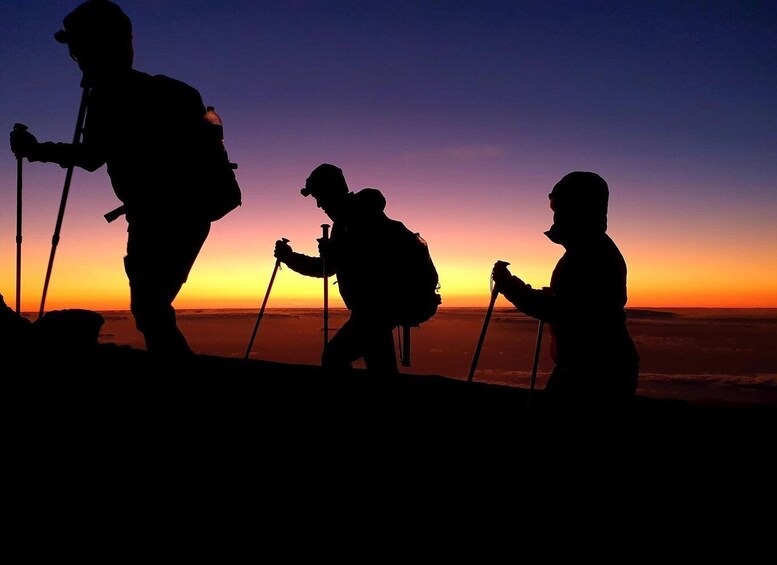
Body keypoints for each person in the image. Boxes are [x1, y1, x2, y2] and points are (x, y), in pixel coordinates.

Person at [9, 0, 232, 356]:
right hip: (191, 213)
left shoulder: (114, 97)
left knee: (150, 310)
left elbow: (92, 157)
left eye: (79, 51)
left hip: (159, 218)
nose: (77, 60)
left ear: (99, 47)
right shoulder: (173, 91)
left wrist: (36, 150)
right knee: (152, 309)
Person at [492, 171, 639, 409]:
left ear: (580, 209)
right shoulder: (588, 251)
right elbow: (570, 301)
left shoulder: (590, 255)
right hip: (597, 366)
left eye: (561, 208)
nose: (556, 216)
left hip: (593, 372)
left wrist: (510, 286)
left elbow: (564, 310)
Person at [274, 164, 412, 374]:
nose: (319, 204)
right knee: (380, 368)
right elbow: (333, 266)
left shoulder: (356, 220)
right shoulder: (352, 220)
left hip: (374, 310)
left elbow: (364, 264)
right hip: (379, 310)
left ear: (332, 191)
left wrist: (333, 253)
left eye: (320, 196)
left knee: (334, 357)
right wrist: (293, 257)